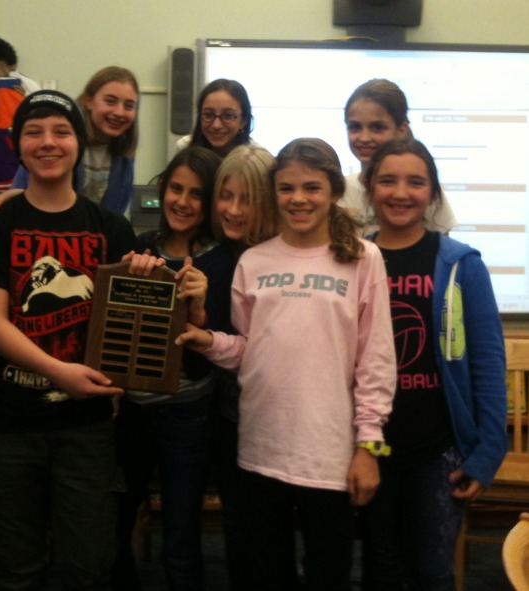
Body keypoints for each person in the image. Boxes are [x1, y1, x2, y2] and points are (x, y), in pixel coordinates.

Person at [177, 138, 397, 590]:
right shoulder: (254, 262)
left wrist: (368, 446)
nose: (298, 199)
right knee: (265, 574)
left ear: (335, 191)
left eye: (312, 187)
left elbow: (375, 360)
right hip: (260, 451)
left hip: (329, 456)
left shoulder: (362, 258)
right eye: (287, 188)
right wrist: (207, 341)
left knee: (327, 574)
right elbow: (249, 350)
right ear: (273, 193)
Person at [0, 90, 141, 590]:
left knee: (87, 564)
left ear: (78, 143)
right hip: (9, 425)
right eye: (34, 132)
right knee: (18, 568)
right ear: (17, 146)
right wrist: (60, 373)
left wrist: (157, 279)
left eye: (60, 131)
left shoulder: (112, 229)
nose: (48, 142)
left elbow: (129, 321)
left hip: (87, 428)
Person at [360, 136, 507, 591]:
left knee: (432, 573)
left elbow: (487, 363)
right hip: (369, 447)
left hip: (437, 450)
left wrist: (486, 456)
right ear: (369, 189)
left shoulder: (462, 266)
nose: (400, 192)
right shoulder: (351, 259)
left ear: (433, 193)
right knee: (378, 570)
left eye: (415, 182)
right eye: (387, 181)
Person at [112, 146, 231, 591]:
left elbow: (219, 345)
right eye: (176, 189)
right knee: (117, 524)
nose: (183, 201)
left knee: (181, 535)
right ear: (162, 190)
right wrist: (130, 277)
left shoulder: (222, 261)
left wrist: (199, 308)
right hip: (135, 411)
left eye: (196, 194)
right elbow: (117, 326)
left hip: (190, 413)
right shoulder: (140, 248)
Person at [207, 145, 278, 590]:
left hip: (282, 417)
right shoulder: (213, 261)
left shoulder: (285, 256)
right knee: (239, 527)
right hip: (229, 417)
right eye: (225, 196)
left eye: (246, 198)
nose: (233, 210)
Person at [7, 66, 139, 214]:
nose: (119, 112)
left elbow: (115, 213)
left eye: (128, 106)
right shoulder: (62, 146)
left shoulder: (124, 156)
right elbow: (21, 191)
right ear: (89, 101)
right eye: (110, 102)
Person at [341, 78, 457, 235]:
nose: (364, 137)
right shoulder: (339, 192)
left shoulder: (421, 191)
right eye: (355, 127)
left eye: (377, 127)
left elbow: (443, 251)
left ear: (402, 129)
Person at [174, 79, 259, 158]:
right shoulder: (186, 147)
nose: (216, 125)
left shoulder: (255, 157)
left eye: (228, 116)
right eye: (208, 115)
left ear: (243, 121)